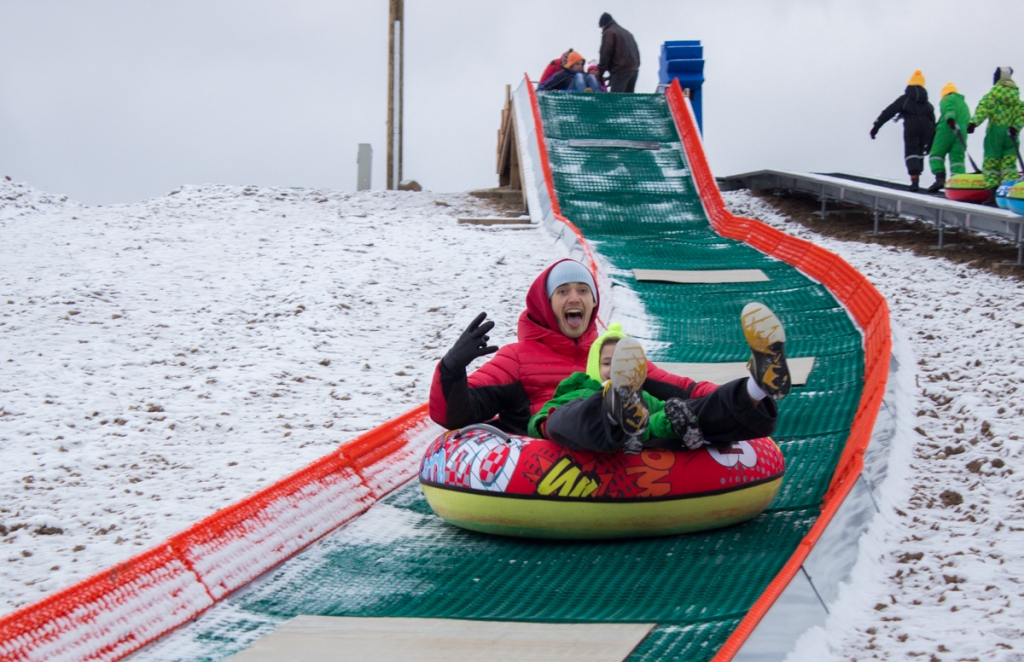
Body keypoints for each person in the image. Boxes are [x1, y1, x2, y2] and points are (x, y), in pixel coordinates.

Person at [431, 259, 724, 435]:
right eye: (563, 292)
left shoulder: (612, 352)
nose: (574, 298)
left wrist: (726, 397)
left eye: (583, 290)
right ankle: (611, 411)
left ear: (594, 302)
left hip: (627, 449)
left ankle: (750, 397)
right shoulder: (518, 358)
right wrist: (451, 369)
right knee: (583, 408)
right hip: (555, 448)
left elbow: (680, 388)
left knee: (681, 409)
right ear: (547, 305)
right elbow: (456, 416)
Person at [528, 305, 787, 455]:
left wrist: (673, 421)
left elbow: (678, 408)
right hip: (584, 423)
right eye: (608, 364)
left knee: (687, 411)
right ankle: (612, 409)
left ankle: (758, 384)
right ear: (593, 367)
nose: (614, 370)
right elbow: (543, 421)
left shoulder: (647, 399)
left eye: (625, 367)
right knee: (562, 420)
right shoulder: (576, 388)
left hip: (635, 433)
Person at [871, 70, 936, 192]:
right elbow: (933, 122)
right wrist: (931, 141)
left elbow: (889, 111)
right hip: (927, 127)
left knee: (911, 151)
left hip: (912, 125)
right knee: (920, 151)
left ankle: (914, 180)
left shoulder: (905, 99)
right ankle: (917, 177)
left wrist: (876, 126)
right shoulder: (927, 104)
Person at [968, 67, 1024, 196]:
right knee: (1009, 166)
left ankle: (993, 192)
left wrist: (973, 123)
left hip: (995, 134)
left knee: (991, 165)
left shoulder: (992, 95)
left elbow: (983, 109)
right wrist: (1015, 127)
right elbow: (1022, 114)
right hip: (1011, 136)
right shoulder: (1017, 98)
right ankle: (1009, 192)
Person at [926, 82, 972, 193]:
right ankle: (959, 183)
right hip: (961, 132)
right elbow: (968, 120)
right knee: (957, 159)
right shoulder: (964, 104)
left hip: (947, 128)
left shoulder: (947, 98)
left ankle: (940, 178)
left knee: (936, 154)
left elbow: (949, 108)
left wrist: (950, 119)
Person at [597, 13, 640, 93]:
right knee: (628, 100)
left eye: (601, 27)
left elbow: (606, 53)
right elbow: (636, 52)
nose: (602, 30)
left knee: (615, 100)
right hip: (634, 69)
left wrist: (600, 73)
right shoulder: (627, 33)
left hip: (621, 70)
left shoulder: (609, 32)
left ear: (603, 24)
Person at [538, 51, 604, 93]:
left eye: (581, 64)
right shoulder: (564, 74)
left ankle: (600, 95)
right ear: (571, 65)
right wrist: (540, 90)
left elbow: (596, 83)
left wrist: (604, 91)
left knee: (590, 76)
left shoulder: (584, 74)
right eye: (577, 64)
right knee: (578, 76)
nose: (580, 66)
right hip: (570, 94)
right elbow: (551, 83)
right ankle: (583, 93)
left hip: (583, 91)